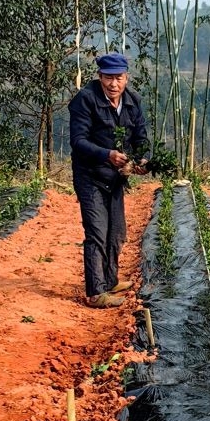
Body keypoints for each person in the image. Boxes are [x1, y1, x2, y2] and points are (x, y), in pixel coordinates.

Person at [69, 52, 149, 308]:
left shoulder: (132, 102)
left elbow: (141, 139)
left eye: (119, 78)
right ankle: (95, 292)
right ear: (100, 77)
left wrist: (143, 160)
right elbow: (78, 141)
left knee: (117, 233)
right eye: (108, 78)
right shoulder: (85, 100)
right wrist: (107, 155)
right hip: (90, 175)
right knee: (97, 232)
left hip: (115, 177)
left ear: (126, 77)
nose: (113, 84)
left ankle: (110, 279)